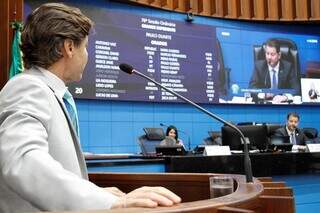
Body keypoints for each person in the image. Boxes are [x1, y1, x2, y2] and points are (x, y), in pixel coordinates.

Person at [0, 3, 180, 212]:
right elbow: (23, 162)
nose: (87, 54)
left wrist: (93, 192)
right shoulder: (27, 87)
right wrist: (110, 202)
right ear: (68, 47)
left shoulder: (53, 93)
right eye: (85, 46)